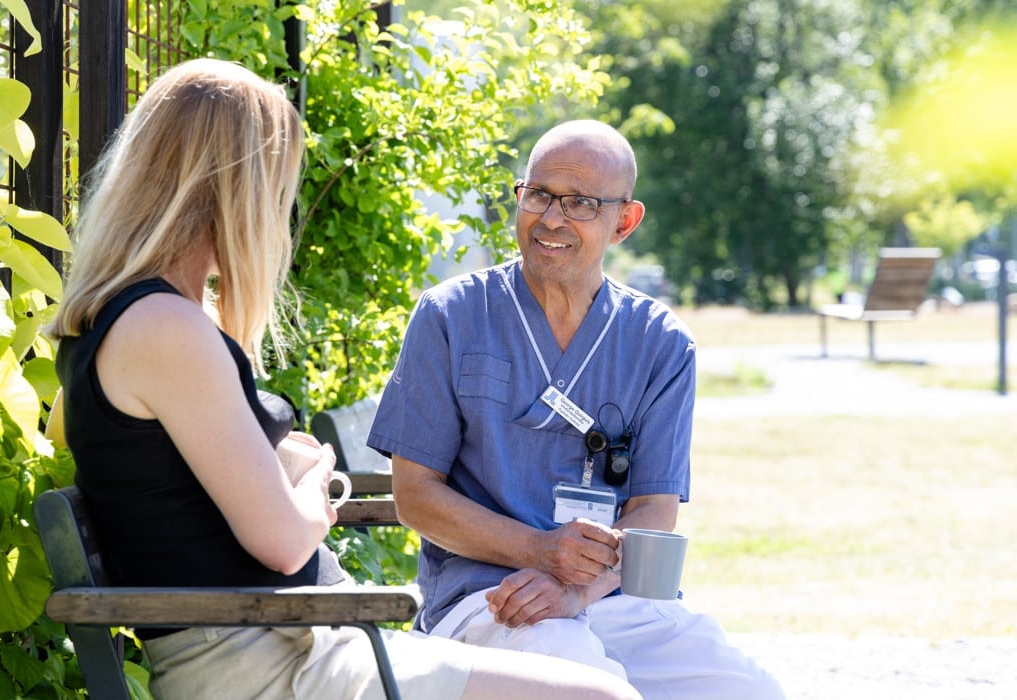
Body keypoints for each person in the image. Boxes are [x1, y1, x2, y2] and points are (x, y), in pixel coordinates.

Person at [46, 60, 640, 700]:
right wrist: (311, 481)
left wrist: (274, 466)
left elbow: (141, 462)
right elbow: (279, 540)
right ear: (229, 186)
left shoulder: (139, 318)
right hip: (274, 662)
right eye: (276, 186)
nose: (279, 210)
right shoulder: (164, 327)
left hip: (306, 639)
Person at [367, 119, 786, 700]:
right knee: (582, 676)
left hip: (608, 598)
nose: (552, 219)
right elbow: (414, 496)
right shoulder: (450, 316)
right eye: (538, 194)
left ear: (625, 222)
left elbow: (653, 511)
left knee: (745, 690)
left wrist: (575, 591)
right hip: (487, 599)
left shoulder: (660, 342)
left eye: (581, 203)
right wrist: (538, 553)